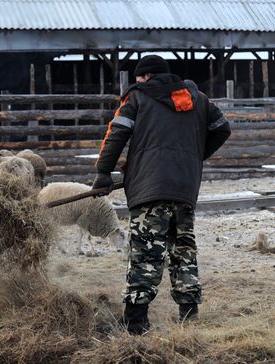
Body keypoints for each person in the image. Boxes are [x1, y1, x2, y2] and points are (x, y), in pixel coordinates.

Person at [92, 55, 231, 335]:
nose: (137, 82)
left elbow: (116, 132)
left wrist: (103, 172)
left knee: (145, 253)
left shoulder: (139, 97)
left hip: (149, 190)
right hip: (184, 188)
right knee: (183, 250)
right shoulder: (197, 98)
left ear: (147, 76)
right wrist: (194, 156)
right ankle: (189, 316)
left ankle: (136, 322)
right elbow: (222, 128)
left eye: (139, 77)